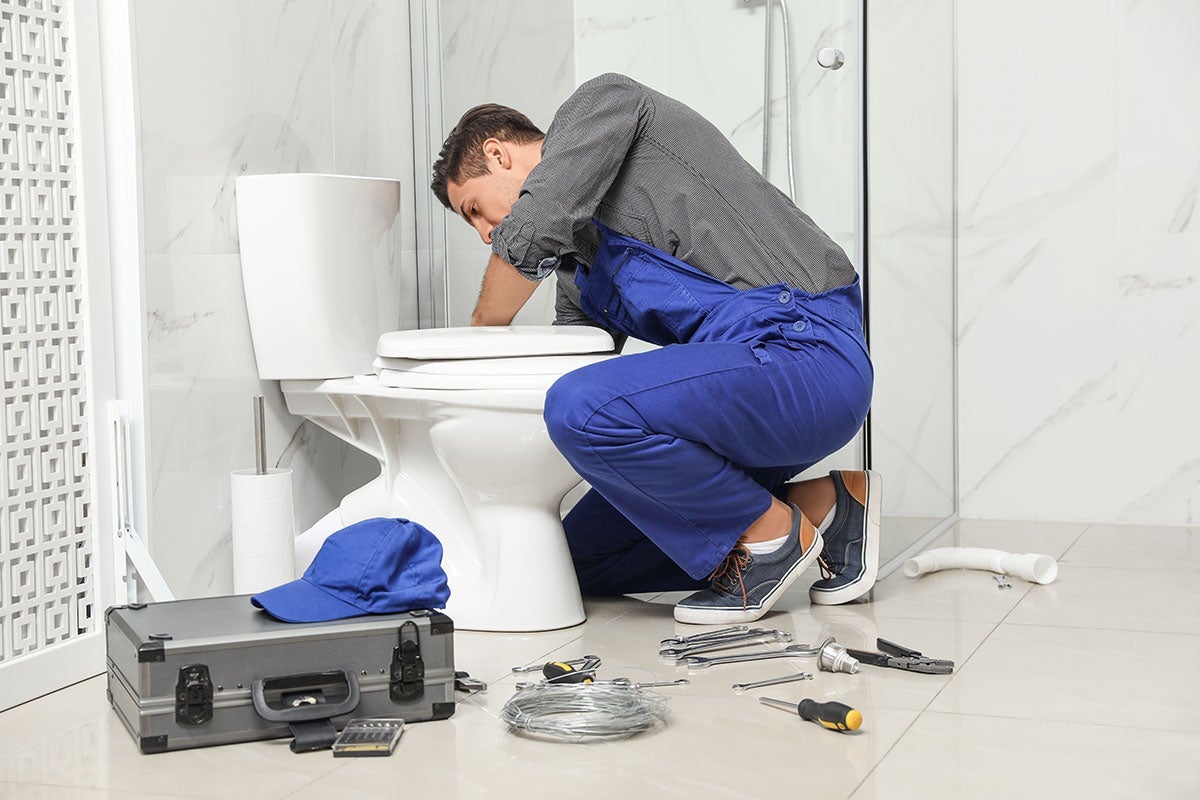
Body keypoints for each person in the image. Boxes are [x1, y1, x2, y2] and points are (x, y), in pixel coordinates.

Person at [430, 73, 878, 624]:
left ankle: (770, 539)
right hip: (742, 409)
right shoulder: (578, 269)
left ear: (497, 154)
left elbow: (537, 225)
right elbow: (575, 360)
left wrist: (481, 331)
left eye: (474, 209)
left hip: (805, 355)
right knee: (576, 560)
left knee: (580, 406)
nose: (483, 233)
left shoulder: (605, 103)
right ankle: (832, 508)